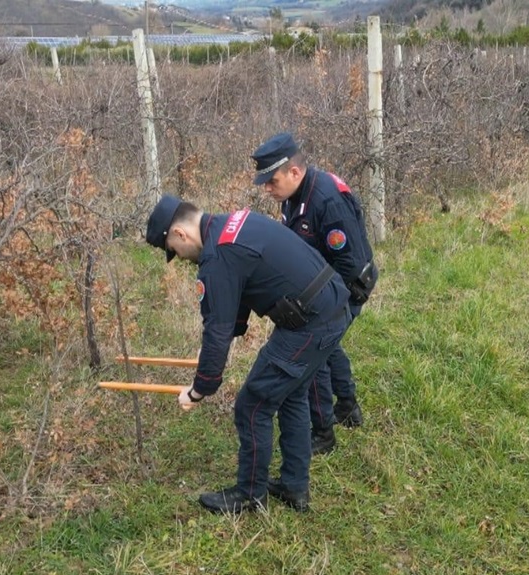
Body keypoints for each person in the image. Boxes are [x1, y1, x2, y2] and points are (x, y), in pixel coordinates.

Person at [145, 194, 351, 513]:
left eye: (174, 250)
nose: (181, 258)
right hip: (332, 306)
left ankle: (250, 495)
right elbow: (234, 302)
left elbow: (217, 330)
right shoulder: (234, 224)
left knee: (252, 405)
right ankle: (294, 487)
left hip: (311, 324)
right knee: (291, 395)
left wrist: (198, 390)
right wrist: (214, 348)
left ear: (179, 234)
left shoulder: (217, 257)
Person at [251, 132, 378, 456]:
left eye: (272, 181)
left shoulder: (327, 201)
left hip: (349, 287)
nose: (267, 189)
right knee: (329, 346)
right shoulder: (293, 196)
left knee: (314, 352)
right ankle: (347, 406)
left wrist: (322, 309)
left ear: (294, 172)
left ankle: (322, 433)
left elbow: (350, 264)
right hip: (327, 285)